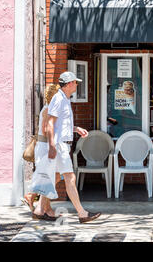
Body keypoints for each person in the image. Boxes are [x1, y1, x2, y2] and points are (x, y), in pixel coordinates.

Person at [46, 71, 101, 223]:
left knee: (56, 177)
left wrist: (76, 129)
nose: (77, 85)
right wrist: (51, 145)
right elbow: (50, 124)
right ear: (69, 84)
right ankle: (82, 213)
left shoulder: (64, 99)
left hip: (63, 144)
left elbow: (61, 124)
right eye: (75, 82)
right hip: (60, 145)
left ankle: (38, 207)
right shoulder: (58, 99)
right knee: (70, 177)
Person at [22, 84, 61, 219]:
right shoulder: (48, 109)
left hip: (45, 146)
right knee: (51, 177)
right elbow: (45, 130)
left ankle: (46, 207)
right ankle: (35, 198)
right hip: (45, 146)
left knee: (52, 177)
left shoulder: (49, 108)